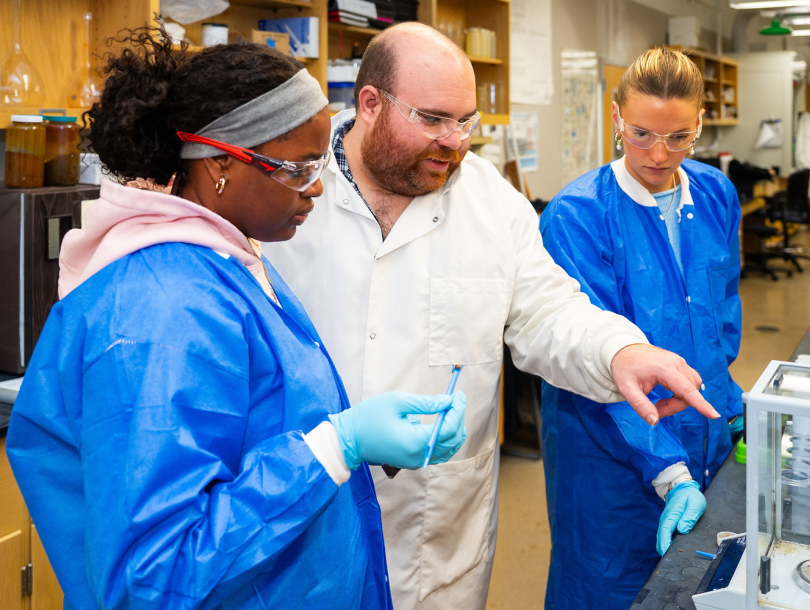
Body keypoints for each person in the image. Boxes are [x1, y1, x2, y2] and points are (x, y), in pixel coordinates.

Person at [4, 30, 467, 610]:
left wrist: (355, 440)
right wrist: (333, 447)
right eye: (296, 168)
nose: (316, 186)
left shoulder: (226, 263)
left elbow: (246, 431)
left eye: (318, 164)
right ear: (221, 162)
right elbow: (158, 575)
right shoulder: (166, 308)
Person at [263, 24, 719, 610]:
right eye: (432, 119)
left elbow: (549, 311)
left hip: (436, 533)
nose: (454, 142)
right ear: (369, 103)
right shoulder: (286, 194)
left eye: (466, 121)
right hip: (302, 521)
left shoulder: (489, 200)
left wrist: (619, 351)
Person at [536, 47, 743, 609]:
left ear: (699, 123)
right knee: (606, 586)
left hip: (704, 435)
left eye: (679, 137)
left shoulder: (717, 195)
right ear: (616, 118)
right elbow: (593, 357)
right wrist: (668, 469)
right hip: (604, 453)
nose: (658, 153)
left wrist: (731, 411)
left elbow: (722, 318)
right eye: (641, 133)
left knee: (692, 589)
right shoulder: (578, 216)